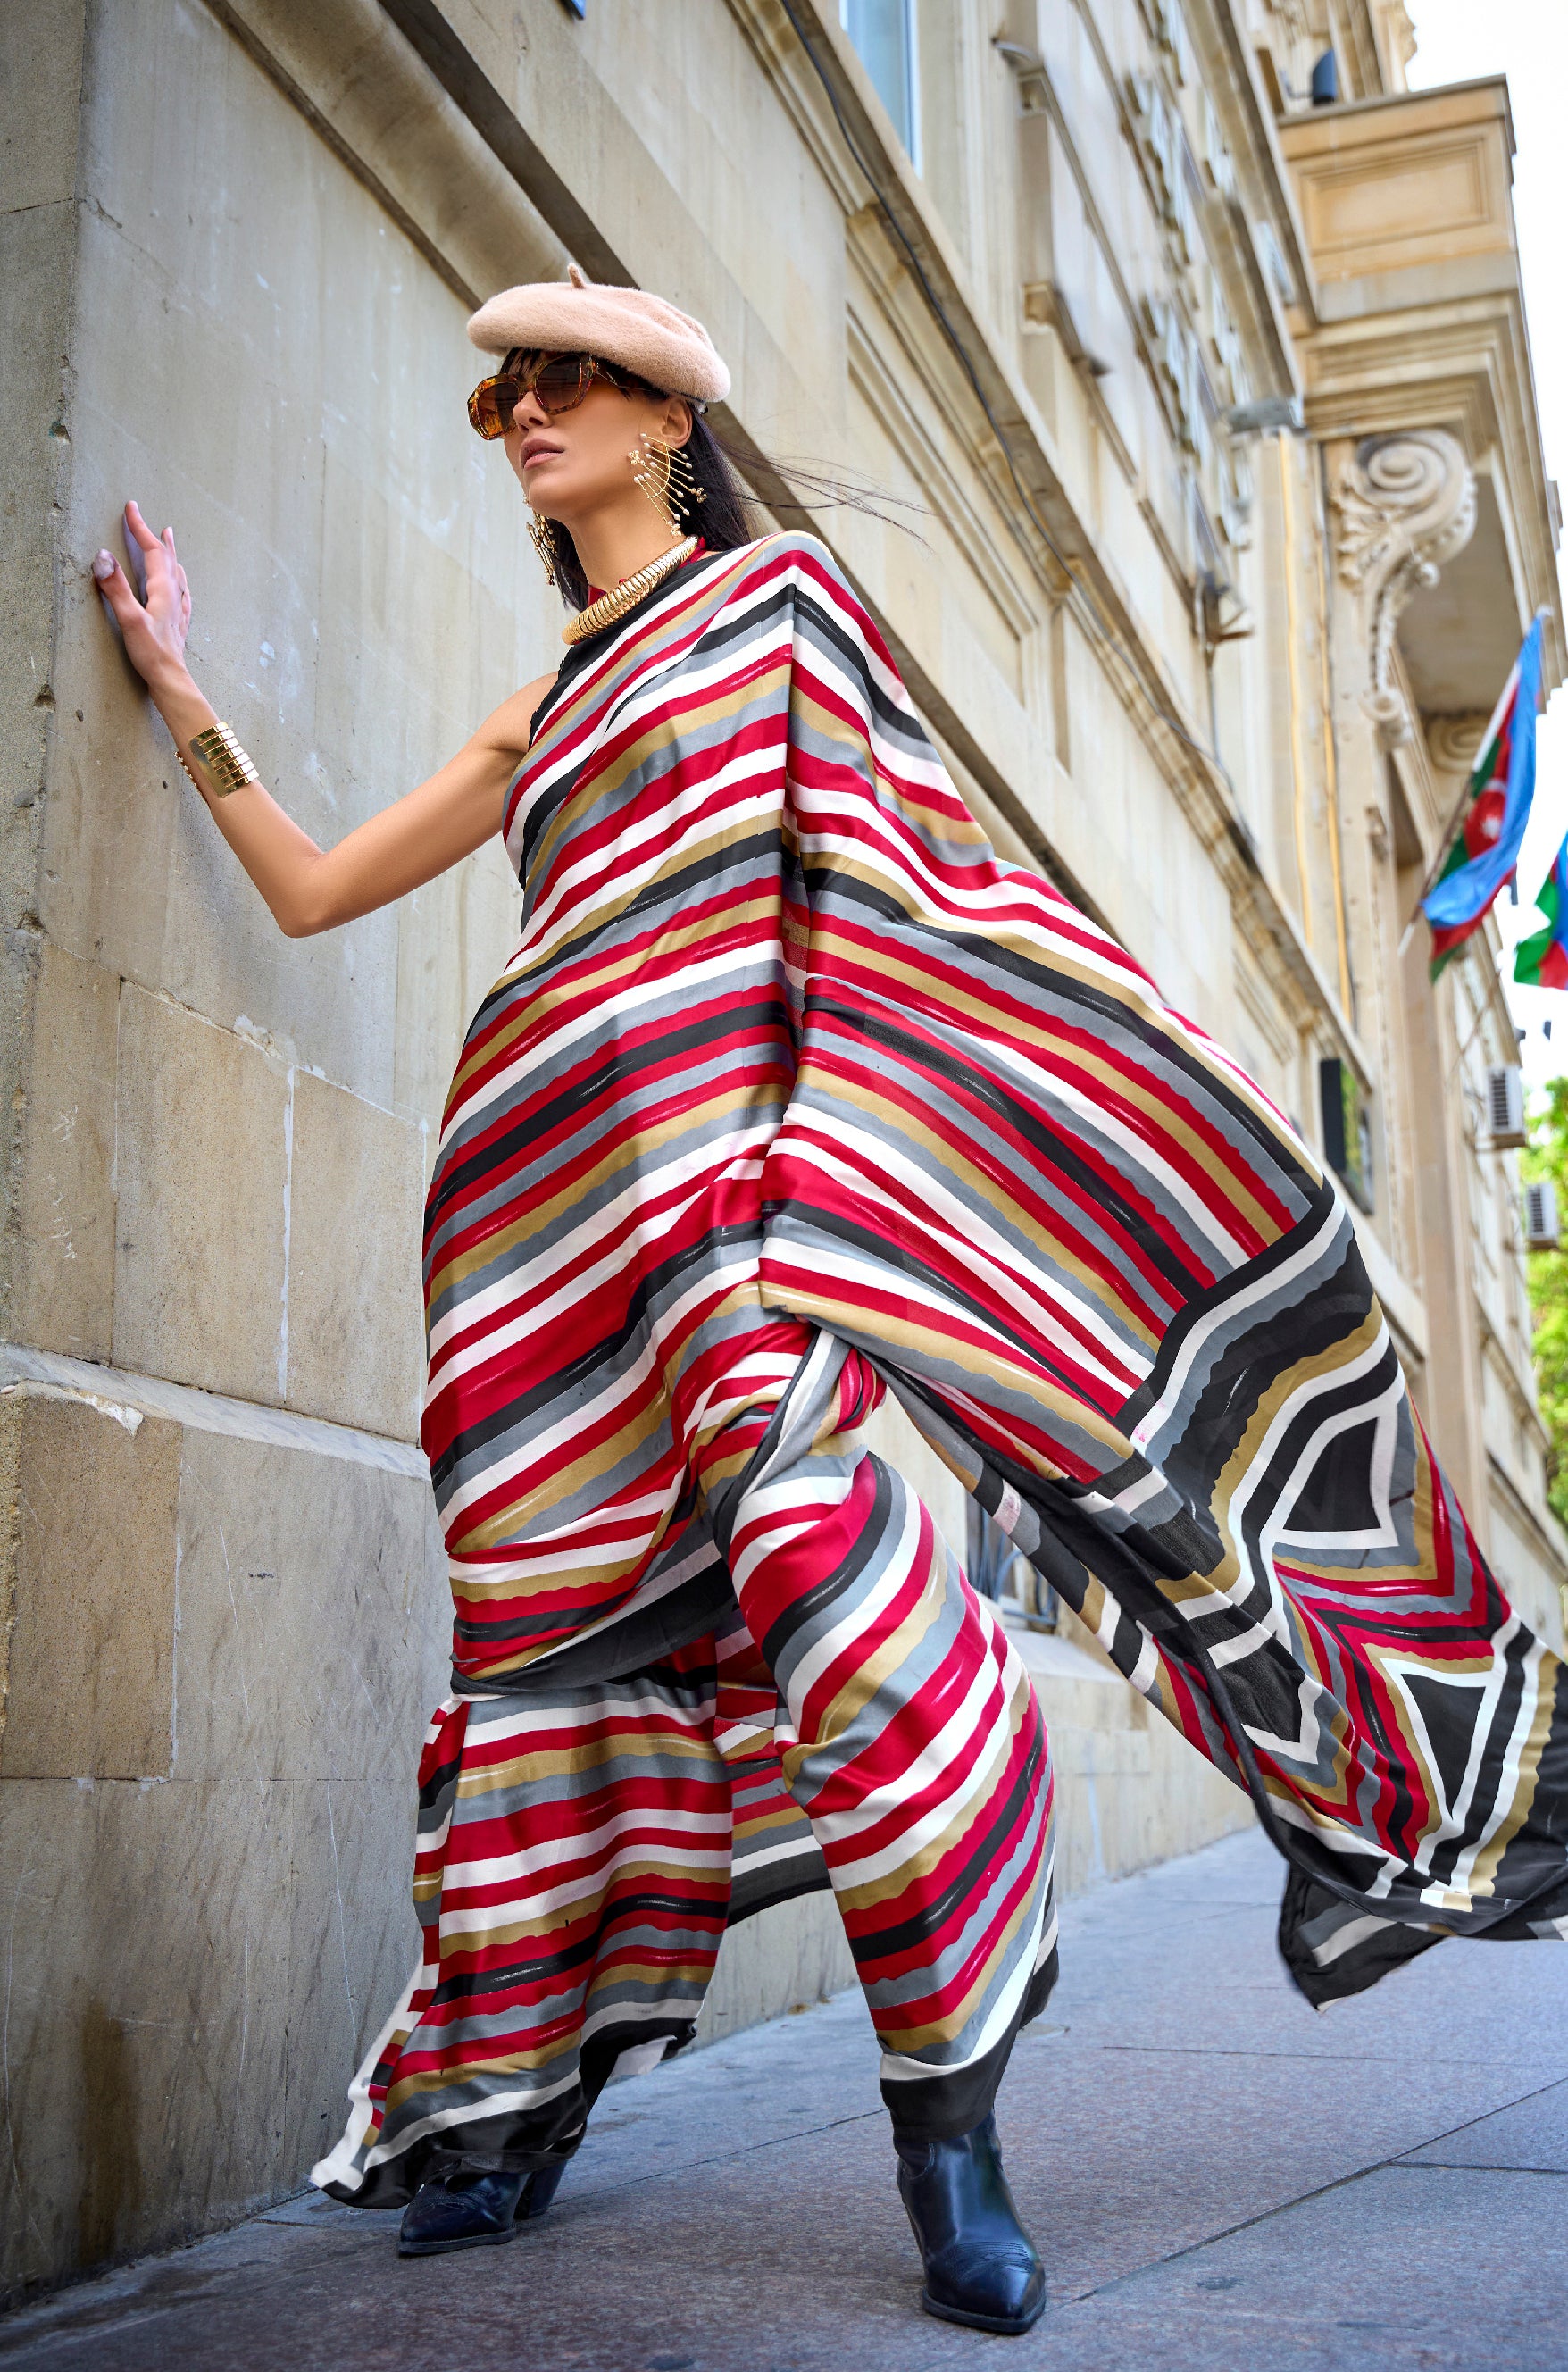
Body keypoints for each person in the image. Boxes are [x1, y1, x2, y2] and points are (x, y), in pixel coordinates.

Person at [95, 267, 1568, 2339]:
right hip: (522, 1242)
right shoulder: (540, 703)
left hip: (725, 1223)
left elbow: (927, 898)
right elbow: (320, 881)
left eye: (565, 385)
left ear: (659, 422)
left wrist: (1062, 1084)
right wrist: (178, 686)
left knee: (855, 1633)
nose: (523, 414)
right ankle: (505, 2104)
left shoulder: (779, 611)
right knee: (541, 1669)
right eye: (507, 392)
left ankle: (944, 2139)